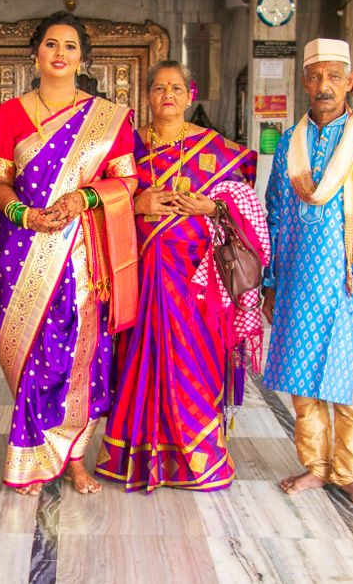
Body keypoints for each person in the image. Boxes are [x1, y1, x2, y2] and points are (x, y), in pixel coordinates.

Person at [95, 61, 268, 493]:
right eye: (158, 88)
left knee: (195, 364)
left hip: (197, 284)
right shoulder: (126, 151)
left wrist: (213, 208)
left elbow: (246, 211)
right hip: (141, 278)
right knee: (139, 362)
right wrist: (137, 203)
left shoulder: (222, 151)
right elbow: (100, 200)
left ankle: (198, 462)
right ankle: (135, 459)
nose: (167, 94)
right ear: (147, 96)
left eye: (175, 87)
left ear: (190, 94)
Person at [0, 11, 138, 497]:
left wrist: (84, 198)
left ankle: (73, 459)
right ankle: (32, 455)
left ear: (83, 58)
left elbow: (127, 180)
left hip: (83, 253)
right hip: (23, 248)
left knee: (81, 354)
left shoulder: (108, 118)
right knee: (33, 353)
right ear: (35, 53)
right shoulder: (8, 115)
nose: (60, 53)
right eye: (51, 44)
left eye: (70, 47)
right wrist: (23, 214)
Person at [262, 39, 353, 505]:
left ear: (349, 82)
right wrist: (269, 283)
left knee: (352, 387)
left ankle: (348, 472)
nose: (323, 86)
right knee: (303, 388)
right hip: (297, 288)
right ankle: (315, 467)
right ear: (304, 81)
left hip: (352, 287)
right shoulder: (291, 141)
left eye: (333, 77)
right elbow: (273, 214)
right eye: (315, 76)